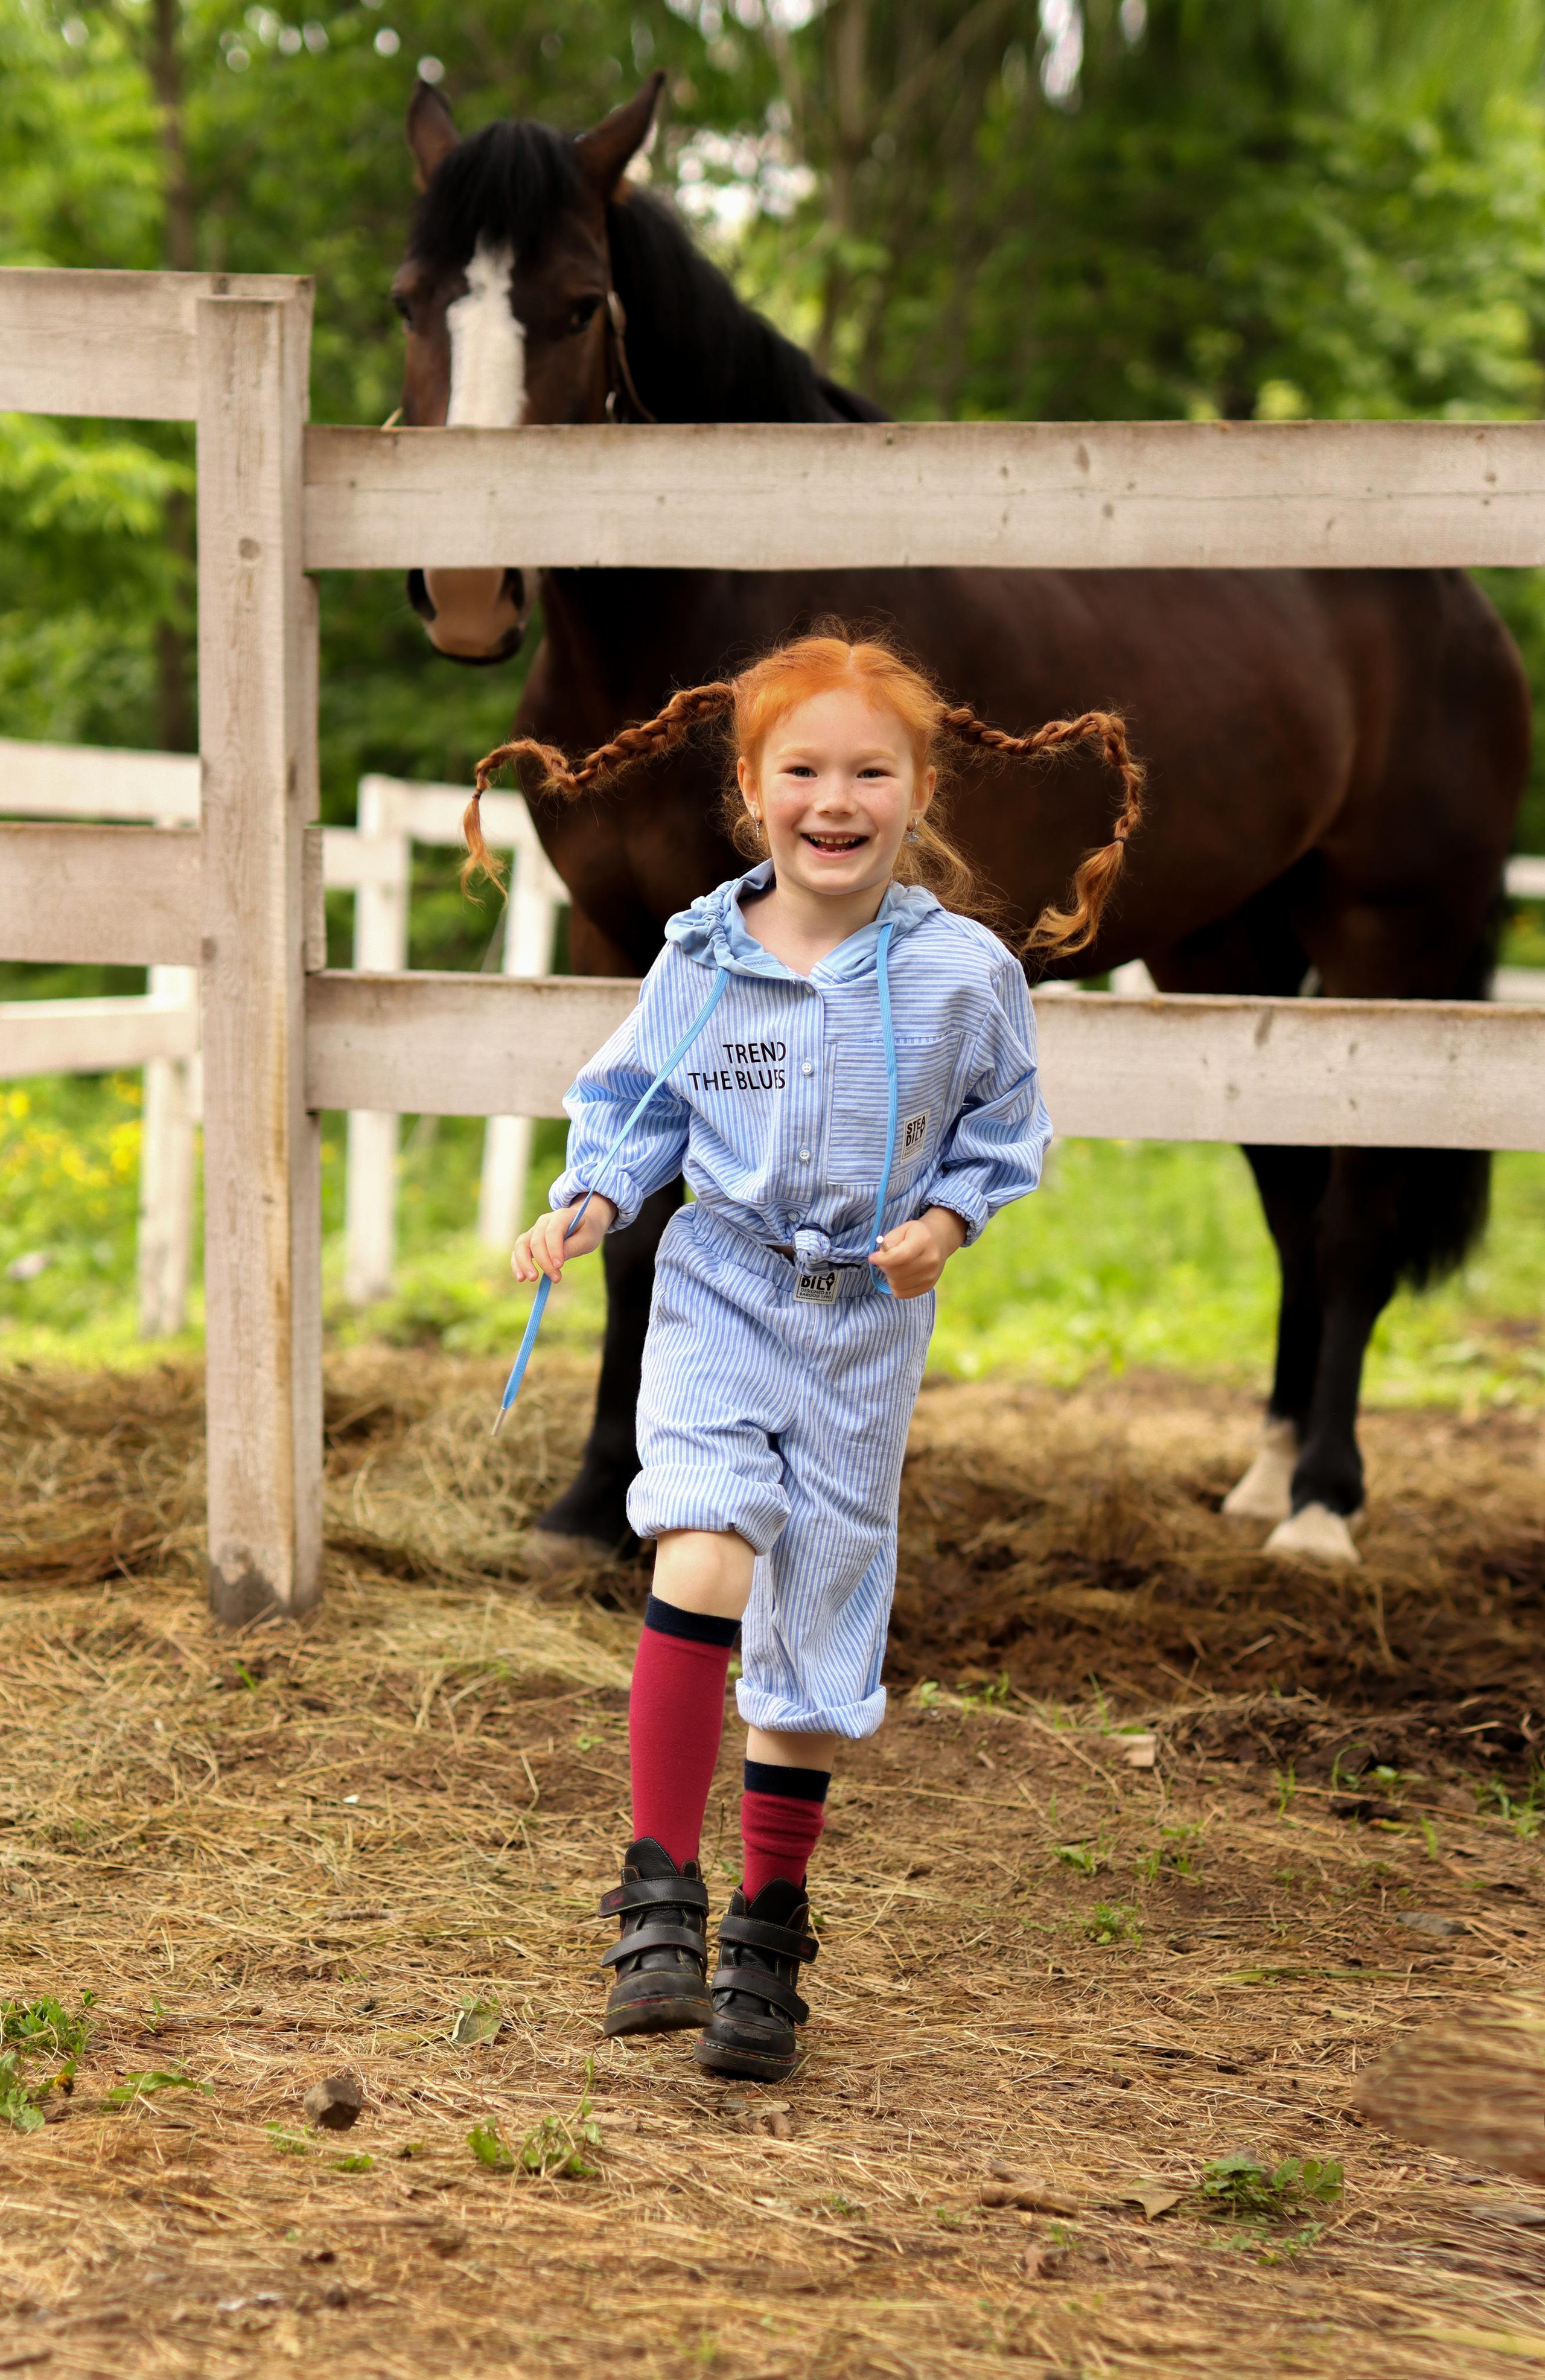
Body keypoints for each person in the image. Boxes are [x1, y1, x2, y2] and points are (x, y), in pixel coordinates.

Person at [467, 629, 1144, 2084]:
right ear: (752, 786)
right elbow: (636, 1105)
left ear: (915, 789)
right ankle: (656, 1895)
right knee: (699, 1548)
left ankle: (766, 1941)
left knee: (809, 1644)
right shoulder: (701, 957)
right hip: (719, 1284)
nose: (832, 800)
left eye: (867, 772)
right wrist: (584, 1200)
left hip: (862, 1325)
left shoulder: (965, 974)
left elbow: (1001, 1131)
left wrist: (948, 1223)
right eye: (802, 771)